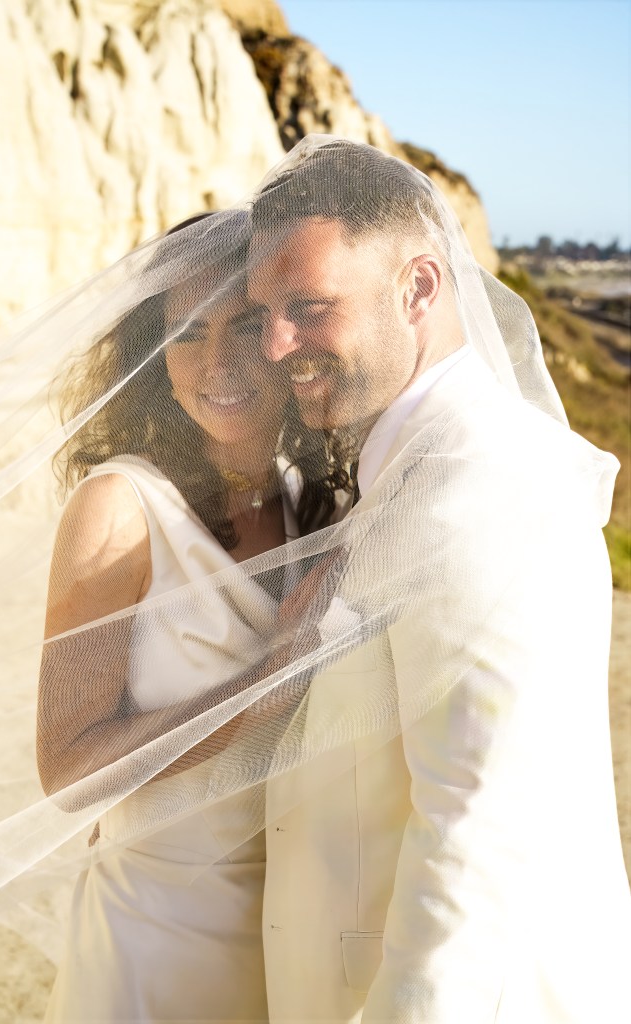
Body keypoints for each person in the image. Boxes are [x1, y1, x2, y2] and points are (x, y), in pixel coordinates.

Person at [245, 137, 631, 1022]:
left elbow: (475, 847)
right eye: (262, 311)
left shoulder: (480, 489)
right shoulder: (413, 466)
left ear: (418, 288)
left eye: (306, 307)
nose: (273, 345)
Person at [38, 212, 322, 1023]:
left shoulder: (309, 502)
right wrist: (260, 690)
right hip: (150, 942)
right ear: (154, 361)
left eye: (243, 324)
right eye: (188, 334)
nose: (218, 363)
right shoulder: (119, 509)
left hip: (286, 935)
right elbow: (69, 768)